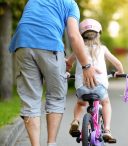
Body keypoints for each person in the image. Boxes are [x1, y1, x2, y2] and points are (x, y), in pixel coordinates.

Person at [9, 0, 97, 146]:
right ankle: (51, 144)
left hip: (22, 43)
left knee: (30, 99)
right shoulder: (70, 4)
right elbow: (74, 36)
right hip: (49, 43)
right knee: (56, 97)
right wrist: (87, 66)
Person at [66, 18, 124, 142]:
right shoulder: (102, 49)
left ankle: (76, 120)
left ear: (81, 35)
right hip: (100, 87)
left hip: (82, 87)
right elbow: (118, 64)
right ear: (98, 34)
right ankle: (107, 130)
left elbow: (68, 62)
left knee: (80, 103)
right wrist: (119, 72)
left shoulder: (78, 50)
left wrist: (67, 71)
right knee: (106, 103)